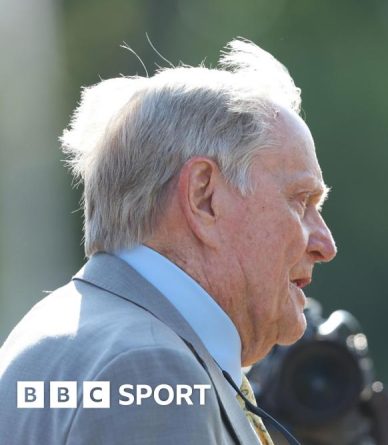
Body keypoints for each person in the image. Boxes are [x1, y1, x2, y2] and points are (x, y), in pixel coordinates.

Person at [0, 39, 336, 444]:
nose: (325, 244)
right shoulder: (152, 367)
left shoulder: (61, 332)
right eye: (300, 202)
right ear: (204, 197)